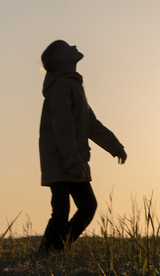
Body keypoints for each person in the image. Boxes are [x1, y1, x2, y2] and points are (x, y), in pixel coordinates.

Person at [38, 40, 127, 253]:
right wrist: (73, 160)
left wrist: (114, 146)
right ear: (62, 59)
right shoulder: (61, 86)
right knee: (61, 211)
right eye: (68, 46)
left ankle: (56, 249)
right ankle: (48, 251)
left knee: (87, 207)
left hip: (73, 160)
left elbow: (91, 124)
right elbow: (62, 127)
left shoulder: (73, 85)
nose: (74, 46)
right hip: (61, 160)